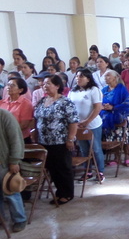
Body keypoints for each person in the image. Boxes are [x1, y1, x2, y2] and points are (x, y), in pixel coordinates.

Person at [34, 74, 78, 206]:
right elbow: (37, 118)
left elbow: (73, 122)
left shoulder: (65, 102)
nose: (44, 86)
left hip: (61, 141)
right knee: (52, 168)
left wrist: (70, 139)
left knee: (62, 168)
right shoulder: (42, 101)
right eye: (43, 84)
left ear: (57, 86)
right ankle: (59, 192)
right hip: (44, 141)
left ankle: (66, 194)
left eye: (48, 83)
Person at [68, 68, 106, 181]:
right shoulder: (72, 91)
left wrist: (87, 121)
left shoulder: (94, 90)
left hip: (92, 124)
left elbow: (97, 108)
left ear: (88, 79)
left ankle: (100, 171)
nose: (78, 78)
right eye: (77, 76)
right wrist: (75, 123)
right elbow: (70, 107)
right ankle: (87, 171)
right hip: (78, 125)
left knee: (96, 148)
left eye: (81, 76)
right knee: (84, 149)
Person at [0, 108, 27, 232]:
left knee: (10, 192)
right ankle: (1, 219)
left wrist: (14, 161)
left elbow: (16, 140)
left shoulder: (5, 116)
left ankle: (19, 220)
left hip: (4, 162)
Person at [100, 70, 129, 143]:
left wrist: (113, 107)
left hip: (120, 112)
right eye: (104, 76)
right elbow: (99, 101)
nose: (105, 77)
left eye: (108, 75)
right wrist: (104, 106)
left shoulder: (122, 89)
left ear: (115, 77)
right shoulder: (104, 90)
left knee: (112, 117)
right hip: (106, 112)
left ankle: (119, 143)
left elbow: (127, 103)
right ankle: (105, 141)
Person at [0, 77, 34, 143]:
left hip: (19, 138)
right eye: (8, 85)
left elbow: (24, 125)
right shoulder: (1, 102)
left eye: (12, 85)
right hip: (3, 138)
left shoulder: (25, 103)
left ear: (20, 90)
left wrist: (6, 132)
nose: (9, 87)